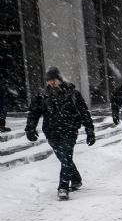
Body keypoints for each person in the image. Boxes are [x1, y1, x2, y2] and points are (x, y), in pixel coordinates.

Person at [25, 67, 96, 200]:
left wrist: (90, 130)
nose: (52, 83)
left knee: (66, 157)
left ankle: (63, 187)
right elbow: (34, 113)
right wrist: (30, 128)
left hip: (69, 130)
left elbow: (84, 112)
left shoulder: (72, 93)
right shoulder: (42, 95)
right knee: (64, 158)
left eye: (54, 80)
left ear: (60, 79)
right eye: (49, 80)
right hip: (51, 132)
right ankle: (76, 179)